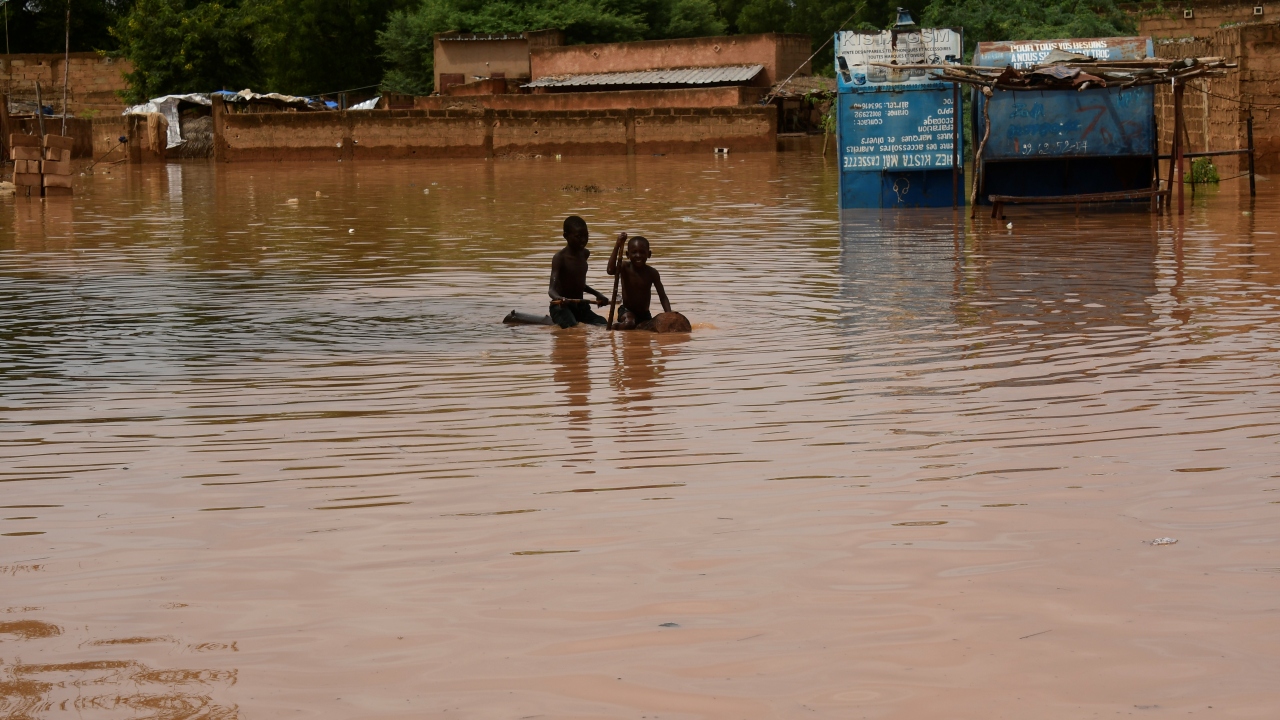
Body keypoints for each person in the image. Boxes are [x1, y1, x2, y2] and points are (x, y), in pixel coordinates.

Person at [548, 216, 610, 328]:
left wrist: (598, 294)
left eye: (586, 235)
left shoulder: (585, 254)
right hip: (561, 307)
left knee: (603, 324)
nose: (583, 240)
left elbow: (579, 284)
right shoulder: (559, 258)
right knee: (573, 329)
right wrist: (559, 298)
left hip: (581, 306)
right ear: (566, 236)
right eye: (578, 236)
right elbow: (551, 290)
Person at [606, 232, 672, 330]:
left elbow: (662, 297)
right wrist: (617, 245)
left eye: (642, 252)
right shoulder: (624, 267)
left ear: (649, 254)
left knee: (654, 329)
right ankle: (615, 327)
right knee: (630, 323)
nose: (638, 255)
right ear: (628, 254)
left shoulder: (652, 273)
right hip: (626, 311)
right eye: (634, 252)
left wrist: (669, 315)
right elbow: (610, 270)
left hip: (644, 314)